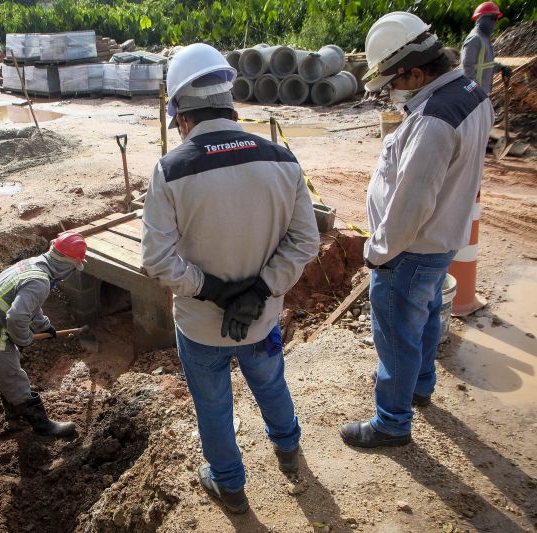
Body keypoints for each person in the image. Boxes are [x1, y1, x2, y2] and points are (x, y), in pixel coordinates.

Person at [141, 43, 320, 514]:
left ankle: (231, 488)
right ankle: (288, 450)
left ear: (180, 112)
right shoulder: (282, 159)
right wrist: (258, 290)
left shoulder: (170, 171)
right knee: (271, 383)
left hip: (201, 328)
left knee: (214, 407)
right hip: (260, 321)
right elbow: (305, 243)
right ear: (230, 101)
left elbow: (157, 261)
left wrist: (215, 291)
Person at [342, 12, 494, 448]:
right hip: (444, 237)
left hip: (410, 249)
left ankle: (391, 420)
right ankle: (420, 385)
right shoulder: (471, 92)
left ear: (414, 71)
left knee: (395, 335)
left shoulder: (432, 120)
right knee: (424, 316)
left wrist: (379, 250)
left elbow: (411, 203)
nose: (390, 92)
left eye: (393, 82)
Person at [0, 232, 87, 439]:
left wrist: (43, 326)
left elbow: (29, 304)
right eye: (74, 267)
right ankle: (43, 427)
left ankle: (14, 415)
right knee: (13, 375)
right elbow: (17, 318)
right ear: (67, 264)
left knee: (8, 366)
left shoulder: (35, 264)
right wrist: (23, 338)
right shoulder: (40, 281)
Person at [461, 2, 511, 94]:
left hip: (482, 93)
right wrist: (474, 90)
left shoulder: (484, 38)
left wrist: (501, 68)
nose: (495, 22)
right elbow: (467, 67)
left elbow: (486, 64)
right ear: (482, 18)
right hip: (474, 95)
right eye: (493, 18)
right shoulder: (475, 39)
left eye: (496, 19)